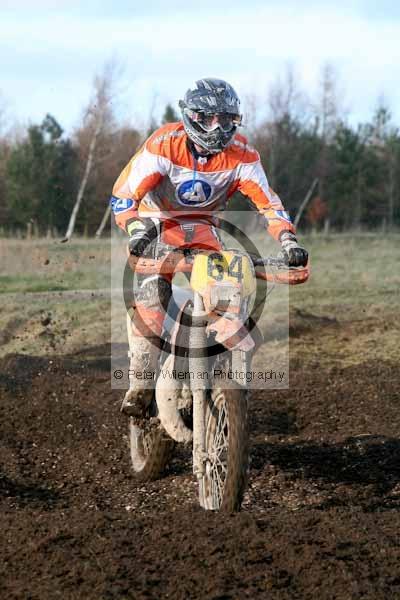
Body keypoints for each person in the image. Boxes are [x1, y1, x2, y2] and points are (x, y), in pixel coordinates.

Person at [110, 78, 308, 416]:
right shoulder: (164, 144)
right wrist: (135, 229)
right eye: (210, 118)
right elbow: (124, 196)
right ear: (192, 117)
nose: (218, 128)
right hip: (155, 224)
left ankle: (226, 373)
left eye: (227, 119)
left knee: (228, 295)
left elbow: (269, 204)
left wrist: (288, 240)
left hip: (203, 228)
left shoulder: (243, 155)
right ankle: (141, 383)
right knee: (153, 295)